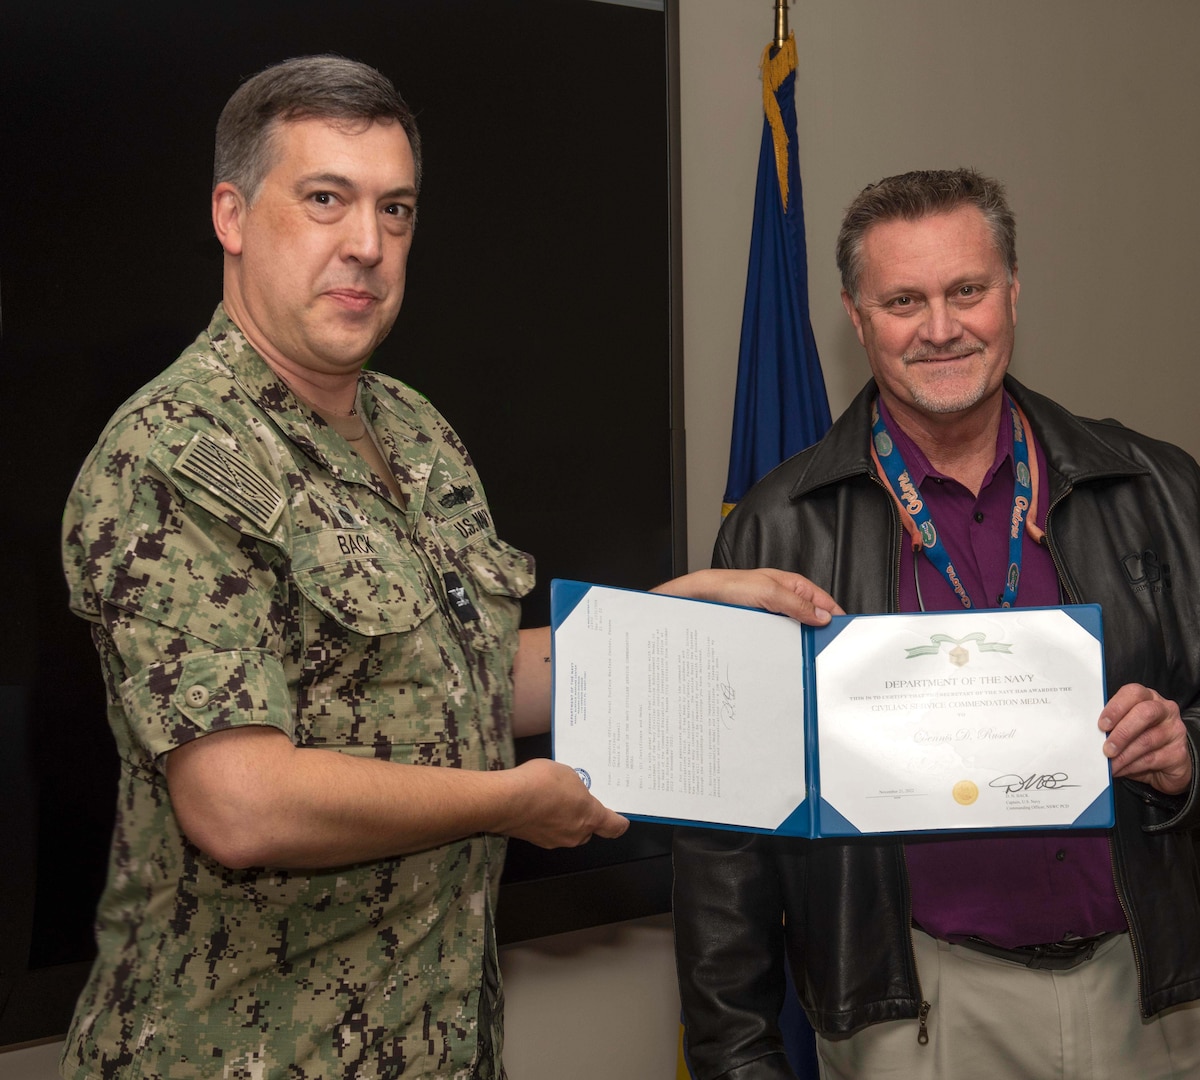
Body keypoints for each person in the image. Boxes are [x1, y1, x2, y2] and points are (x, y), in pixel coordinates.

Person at [60, 55, 841, 1080]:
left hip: (432, 1041)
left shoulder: (411, 429)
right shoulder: (172, 454)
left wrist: (663, 624)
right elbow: (238, 801)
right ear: (233, 214)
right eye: (326, 199)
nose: (367, 246)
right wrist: (505, 801)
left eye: (396, 210)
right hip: (237, 1052)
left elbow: (460, 681)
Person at [672, 168, 1200, 1080]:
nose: (941, 327)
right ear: (857, 318)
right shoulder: (779, 527)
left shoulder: (1153, 484)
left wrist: (1193, 748)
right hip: (917, 1014)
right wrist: (739, 1057)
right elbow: (726, 831)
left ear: (1011, 293)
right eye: (904, 300)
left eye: (967, 290)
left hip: (1152, 995)